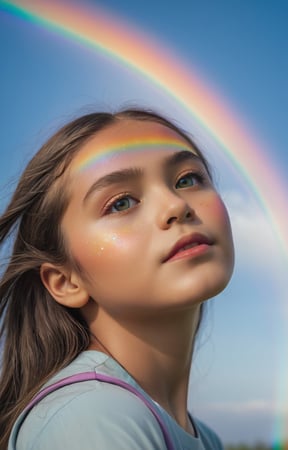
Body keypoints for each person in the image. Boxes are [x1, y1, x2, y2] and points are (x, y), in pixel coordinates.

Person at [0, 108, 234, 450]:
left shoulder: (207, 440)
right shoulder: (88, 418)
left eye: (187, 179)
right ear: (66, 281)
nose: (175, 205)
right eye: (121, 202)